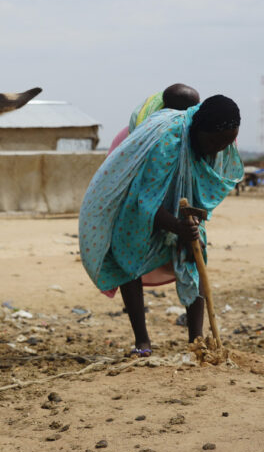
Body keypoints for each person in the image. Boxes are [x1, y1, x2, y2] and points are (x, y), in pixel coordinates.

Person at [79, 94, 243, 357]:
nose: (218, 150)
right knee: (127, 253)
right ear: (198, 130)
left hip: (179, 202)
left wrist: (190, 226)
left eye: (224, 144)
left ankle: (197, 339)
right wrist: (176, 226)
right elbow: (144, 198)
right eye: (213, 142)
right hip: (137, 201)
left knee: (194, 252)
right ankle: (142, 342)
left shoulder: (223, 142)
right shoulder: (168, 141)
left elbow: (204, 186)